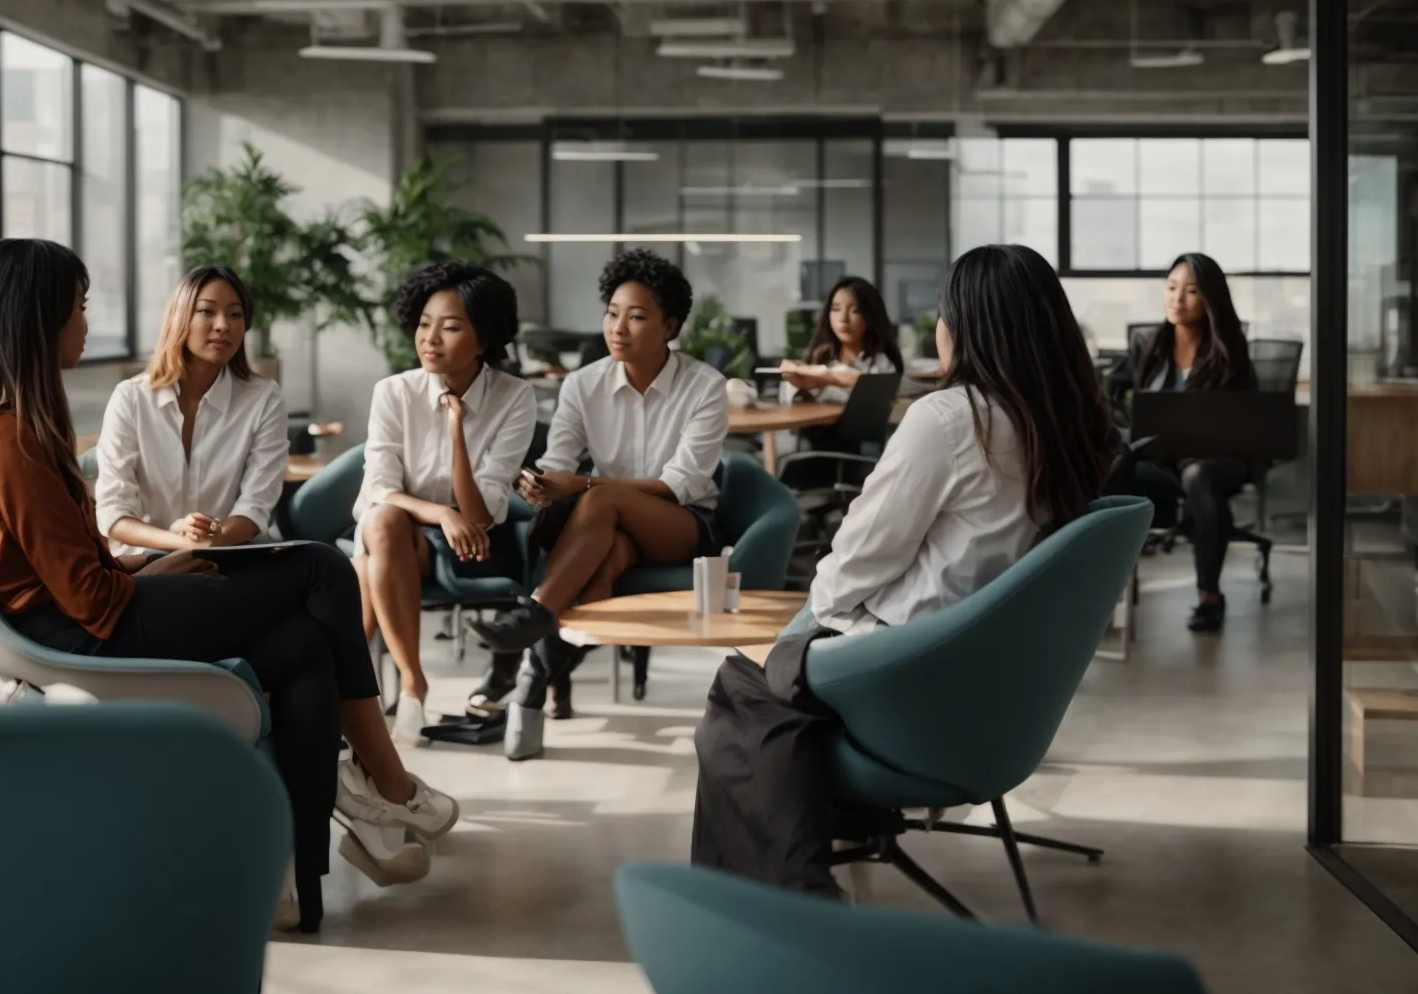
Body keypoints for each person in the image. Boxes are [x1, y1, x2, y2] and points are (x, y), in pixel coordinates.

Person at [0, 239, 458, 934]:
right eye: (79, 308)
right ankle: (382, 791)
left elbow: (71, 563)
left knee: (305, 642)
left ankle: (299, 872)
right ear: (35, 319)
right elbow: (89, 597)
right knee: (319, 568)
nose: (86, 324)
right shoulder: (8, 438)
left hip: (76, 616)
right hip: (82, 633)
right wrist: (151, 570)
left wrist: (147, 569)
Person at [690, 243, 1115, 896]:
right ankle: (831, 832)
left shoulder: (951, 419)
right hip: (1001, 691)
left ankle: (779, 900)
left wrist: (809, 630)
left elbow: (854, 568)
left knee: (742, 688)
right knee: (781, 668)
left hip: (914, 682)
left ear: (965, 327)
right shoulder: (1074, 427)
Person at [468, 250, 729, 723]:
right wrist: (542, 483)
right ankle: (535, 680)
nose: (618, 328)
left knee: (600, 496)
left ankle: (531, 619)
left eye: (636, 317)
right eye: (611, 314)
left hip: (683, 526)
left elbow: (681, 484)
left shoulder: (705, 386)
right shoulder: (583, 384)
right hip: (609, 530)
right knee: (603, 559)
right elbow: (558, 461)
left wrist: (583, 483)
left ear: (669, 327)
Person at [353, 260, 536, 746]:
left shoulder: (514, 398)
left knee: (365, 567)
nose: (430, 339)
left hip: (470, 547)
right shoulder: (394, 392)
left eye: (451, 327)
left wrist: (456, 428)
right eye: (424, 324)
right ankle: (413, 684)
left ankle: (344, 700)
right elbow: (378, 487)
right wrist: (439, 512)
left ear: (485, 339)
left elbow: (480, 515)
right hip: (399, 534)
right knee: (383, 521)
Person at [94, 266, 288, 556]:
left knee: (317, 563)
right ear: (179, 317)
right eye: (207, 312)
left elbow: (256, 507)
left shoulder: (263, 398)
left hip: (228, 556)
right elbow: (114, 514)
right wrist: (184, 545)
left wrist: (214, 539)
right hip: (148, 563)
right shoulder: (131, 398)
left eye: (235, 314)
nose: (223, 324)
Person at [1127, 252, 1258, 633]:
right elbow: (1130, 407)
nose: (1177, 299)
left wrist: (1196, 450)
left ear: (1210, 298)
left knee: (1200, 476)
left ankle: (1209, 596)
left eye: (1191, 291)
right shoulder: (1149, 345)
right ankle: (1107, 595)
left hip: (1221, 458)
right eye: (1171, 288)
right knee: (1113, 466)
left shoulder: (1230, 349)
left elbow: (1245, 420)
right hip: (1165, 457)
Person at [779, 275, 902, 406]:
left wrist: (826, 377)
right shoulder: (821, 356)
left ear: (870, 315)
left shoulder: (880, 363)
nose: (843, 318)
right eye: (836, 309)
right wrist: (799, 382)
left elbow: (873, 390)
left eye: (855, 310)